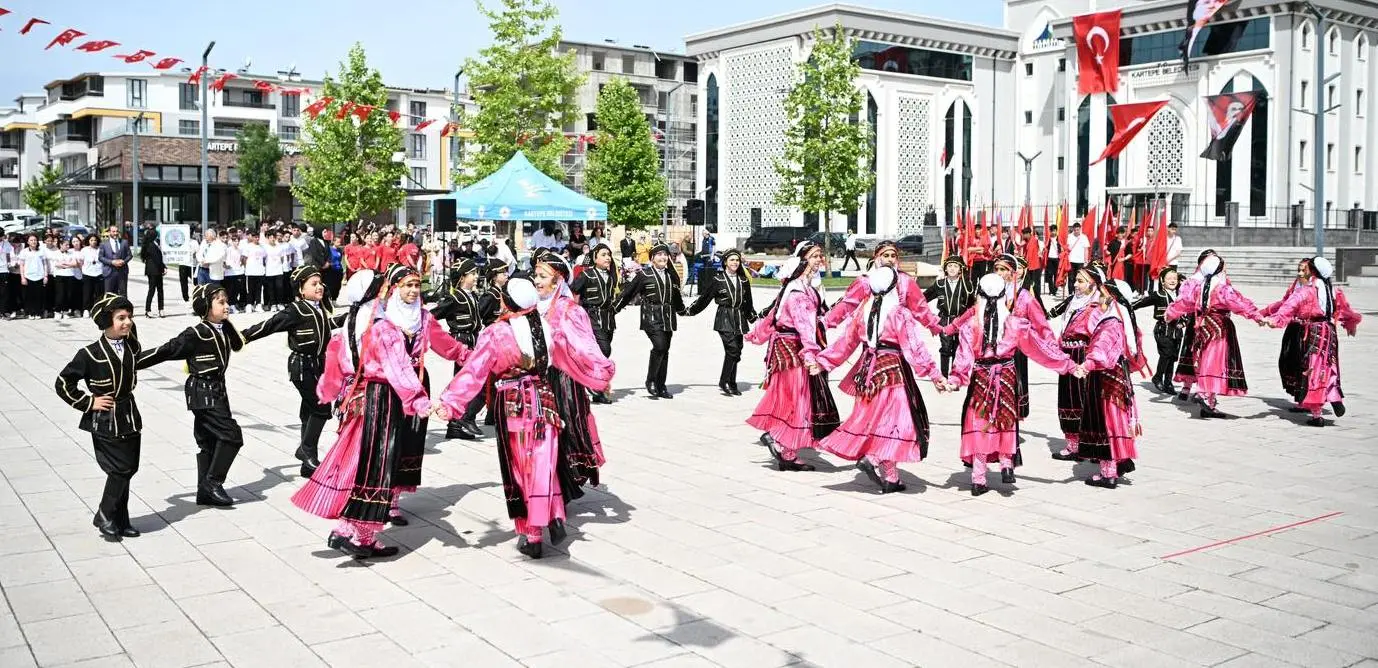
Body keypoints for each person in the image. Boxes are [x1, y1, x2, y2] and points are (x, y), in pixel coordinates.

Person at [436, 274, 616, 559]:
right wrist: (600, 374)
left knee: (523, 468)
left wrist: (451, 402)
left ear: (506, 301)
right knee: (544, 461)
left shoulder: (498, 332)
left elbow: (475, 370)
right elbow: (575, 354)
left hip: (515, 407)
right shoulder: (546, 325)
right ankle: (554, 513)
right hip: (546, 404)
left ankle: (532, 533)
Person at [813, 266, 947, 493]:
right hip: (892, 372)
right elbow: (914, 348)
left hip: (868, 373)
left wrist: (824, 362)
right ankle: (873, 458)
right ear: (895, 286)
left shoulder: (864, 309)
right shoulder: (899, 312)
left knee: (878, 424)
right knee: (898, 425)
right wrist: (934, 374)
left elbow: (846, 342)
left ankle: (891, 478)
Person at [945, 274, 1076, 496]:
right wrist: (1069, 366)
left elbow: (964, 357)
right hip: (1006, 375)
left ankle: (978, 478)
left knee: (979, 422)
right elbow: (1040, 349)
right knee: (1006, 419)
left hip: (981, 377)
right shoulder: (1015, 323)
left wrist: (955, 379)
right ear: (1004, 297)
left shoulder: (971, 324)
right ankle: (1007, 465)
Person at [135, 283, 247, 506]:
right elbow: (166, 350)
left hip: (217, 389)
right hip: (202, 391)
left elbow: (238, 344)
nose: (227, 307)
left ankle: (204, 492)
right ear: (206, 306)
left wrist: (226, 321)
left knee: (208, 441)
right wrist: (133, 363)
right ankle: (213, 482)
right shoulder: (195, 333)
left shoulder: (223, 329)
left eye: (227, 301)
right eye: (221, 302)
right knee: (232, 435)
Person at [55, 293, 145, 539]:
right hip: (105, 420)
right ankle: (105, 514)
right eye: (121, 318)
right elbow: (63, 383)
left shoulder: (131, 347)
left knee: (130, 468)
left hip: (129, 416)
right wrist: (88, 402)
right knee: (120, 469)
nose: (127, 322)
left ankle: (120, 520)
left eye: (129, 317)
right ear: (106, 320)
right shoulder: (89, 353)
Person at [242, 265, 345, 477]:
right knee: (321, 407)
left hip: (319, 364)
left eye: (320, 283)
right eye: (313, 284)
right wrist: (241, 336)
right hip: (302, 366)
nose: (319, 287)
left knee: (309, 411)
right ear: (301, 289)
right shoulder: (295, 310)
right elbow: (268, 325)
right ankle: (305, 450)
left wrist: (352, 316)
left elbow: (327, 325)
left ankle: (308, 463)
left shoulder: (318, 308)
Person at [745, 242, 839, 471]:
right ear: (803, 260)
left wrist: (756, 334)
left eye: (820, 256)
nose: (819, 260)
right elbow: (804, 326)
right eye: (815, 256)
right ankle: (780, 442)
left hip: (788, 347)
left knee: (793, 398)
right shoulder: (798, 291)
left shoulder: (799, 287)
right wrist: (811, 355)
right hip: (793, 350)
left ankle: (785, 446)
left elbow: (775, 317)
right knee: (798, 398)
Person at [1061, 279, 1145, 489]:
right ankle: (1120, 461)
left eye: (1101, 294)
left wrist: (1085, 366)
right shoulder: (1115, 319)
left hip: (1104, 378)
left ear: (1110, 297)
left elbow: (1100, 351)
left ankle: (1108, 473)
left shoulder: (1110, 324)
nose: (1097, 298)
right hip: (1115, 376)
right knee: (1116, 421)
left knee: (1105, 423)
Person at [1263, 257, 1362, 426]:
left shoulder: (1307, 290)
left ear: (1313, 271)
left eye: (1306, 269)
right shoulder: (1332, 289)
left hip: (1313, 331)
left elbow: (1289, 306)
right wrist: (1351, 323)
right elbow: (1345, 310)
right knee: (1329, 366)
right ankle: (1334, 396)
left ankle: (1317, 415)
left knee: (1313, 369)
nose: (1302, 273)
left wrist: (1274, 320)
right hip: (1329, 331)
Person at [1165, 253, 1265, 418]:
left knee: (1206, 362)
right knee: (1214, 365)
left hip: (1203, 329)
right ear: (1219, 269)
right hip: (1219, 329)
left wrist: (1170, 313)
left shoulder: (1200, 287)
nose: (1226, 269)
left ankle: (1208, 405)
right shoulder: (1222, 289)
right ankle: (1204, 394)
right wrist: (1258, 317)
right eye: (1224, 266)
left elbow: (1184, 303)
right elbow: (1240, 303)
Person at [613, 243, 687, 399]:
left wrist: (683, 311)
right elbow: (628, 293)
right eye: (659, 255)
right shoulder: (644, 275)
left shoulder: (671, 275)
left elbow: (676, 296)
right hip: (651, 316)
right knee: (659, 346)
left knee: (665, 350)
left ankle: (661, 385)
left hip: (667, 317)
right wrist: (614, 309)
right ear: (652, 258)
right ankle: (651, 380)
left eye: (665, 254)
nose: (663, 257)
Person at [429, 259, 486, 439]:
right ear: (462, 277)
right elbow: (431, 316)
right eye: (472, 274)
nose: (476, 277)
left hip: (473, 341)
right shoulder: (454, 298)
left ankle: (458, 422)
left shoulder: (473, 296)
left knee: (467, 383)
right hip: (462, 342)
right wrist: (447, 339)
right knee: (464, 383)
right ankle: (459, 420)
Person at [686, 249, 756, 396]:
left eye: (737, 260)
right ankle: (724, 381)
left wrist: (752, 316)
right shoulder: (718, 280)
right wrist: (690, 311)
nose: (735, 263)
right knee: (732, 349)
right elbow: (704, 298)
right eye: (732, 260)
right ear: (725, 262)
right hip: (724, 317)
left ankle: (732, 381)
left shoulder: (743, 280)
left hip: (739, 317)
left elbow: (748, 301)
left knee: (737, 349)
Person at [569, 243, 619, 403]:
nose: (607, 258)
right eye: (604, 254)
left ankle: (594, 384)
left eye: (609, 255)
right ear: (595, 257)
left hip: (608, 318)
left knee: (605, 353)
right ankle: (594, 385)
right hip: (591, 317)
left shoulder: (611, 277)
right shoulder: (587, 275)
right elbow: (572, 290)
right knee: (603, 349)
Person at [1259, 260, 1310, 402]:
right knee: (1288, 361)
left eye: (1303, 270)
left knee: (1305, 364)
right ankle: (1300, 395)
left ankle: (1306, 399)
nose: (1300, 273)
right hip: (1293, 329)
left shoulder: (1317, 289)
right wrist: (1265, 312)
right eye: (1298, 270)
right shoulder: (1296, 286)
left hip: (1309, 331)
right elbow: (1285, 304)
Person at [1132, 267, 1184, 394]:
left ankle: (1168, 382)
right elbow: (1140, 303)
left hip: (1176, 331)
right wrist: (1127, 307)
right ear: (1162, 281)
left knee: (1172, 357)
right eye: (1169, 278)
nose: (1172, 281)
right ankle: (1157, 377)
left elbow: (1187, 313)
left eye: (1175, 278)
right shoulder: (1158, 295)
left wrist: (1183, 323)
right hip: (1163, 329)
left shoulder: (1181, 296)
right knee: (1166, 353)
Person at [924, 256, 974, 377]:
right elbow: (923, 299)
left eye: (955, 266)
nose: (952, 269)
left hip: (960, 320)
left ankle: (955, 376)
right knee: (945, 347)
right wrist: (930, 317)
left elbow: (972, 305)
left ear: (960, 269)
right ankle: (944, 376)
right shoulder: (939, 284)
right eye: (950, 266)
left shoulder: (967, 285)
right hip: (945, 319)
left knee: (958, 347)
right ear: (945, 268)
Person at [17, 235, 47, 320]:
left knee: (39, 296)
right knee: (29, 296)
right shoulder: (24, 252)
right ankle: (30, 312)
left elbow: (45, 264)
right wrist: (22, 277)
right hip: (28, 276)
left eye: (35, 240)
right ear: (28, 242)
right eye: (31, 240)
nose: (33, 241)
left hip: (39, 276)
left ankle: (38, 312)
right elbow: (21, 265)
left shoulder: (41, 251)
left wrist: (45, 276)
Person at [98, 225, 132, 297]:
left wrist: (123, 261)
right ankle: (109, 308)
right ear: (109, 232)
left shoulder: (124, 242)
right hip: (109, 272)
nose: (115, 233)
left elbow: (130, 255)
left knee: (123, 293)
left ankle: (123, 307)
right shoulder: (104, 244)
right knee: (109, 293)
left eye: (117, 231)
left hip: (122, 272)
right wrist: (112, 262)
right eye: (113, 231)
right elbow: (100, 257)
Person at [139, 229, 165, 318]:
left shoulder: (150, 244)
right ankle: (149, 309)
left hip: (154, 270)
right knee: (154, 290)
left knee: (156, 290)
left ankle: (158, 309)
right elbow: (157, 259)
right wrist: (163, 268)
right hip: (154, 270)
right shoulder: (151, 245)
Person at [82, 235, 106, 313]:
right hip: (87, 273)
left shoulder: (100, 249)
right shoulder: (84, 250)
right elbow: (80, 262)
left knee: (99, 293)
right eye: (91, 240)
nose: (93, 242)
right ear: (88, 241)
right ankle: (86, 309)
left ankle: (97, 309)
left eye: (95, 240)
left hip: (99, 273)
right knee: (87, 292)